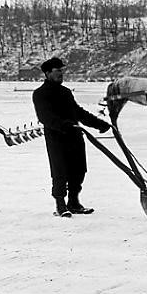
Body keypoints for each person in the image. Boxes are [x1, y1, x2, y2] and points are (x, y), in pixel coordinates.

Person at [32, 57, 111, 218]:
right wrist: (65, 125)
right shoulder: (40, 94)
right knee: (60, 172)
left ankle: (73, 203)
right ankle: (60, 205)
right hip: (56, 139)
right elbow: (45, 117)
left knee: (79, 170)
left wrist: (99, 124)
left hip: (75, 137)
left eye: (62, 70)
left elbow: (78, 112)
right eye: (57, 71)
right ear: (47, 73)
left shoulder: (65, 92)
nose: (61, 74)